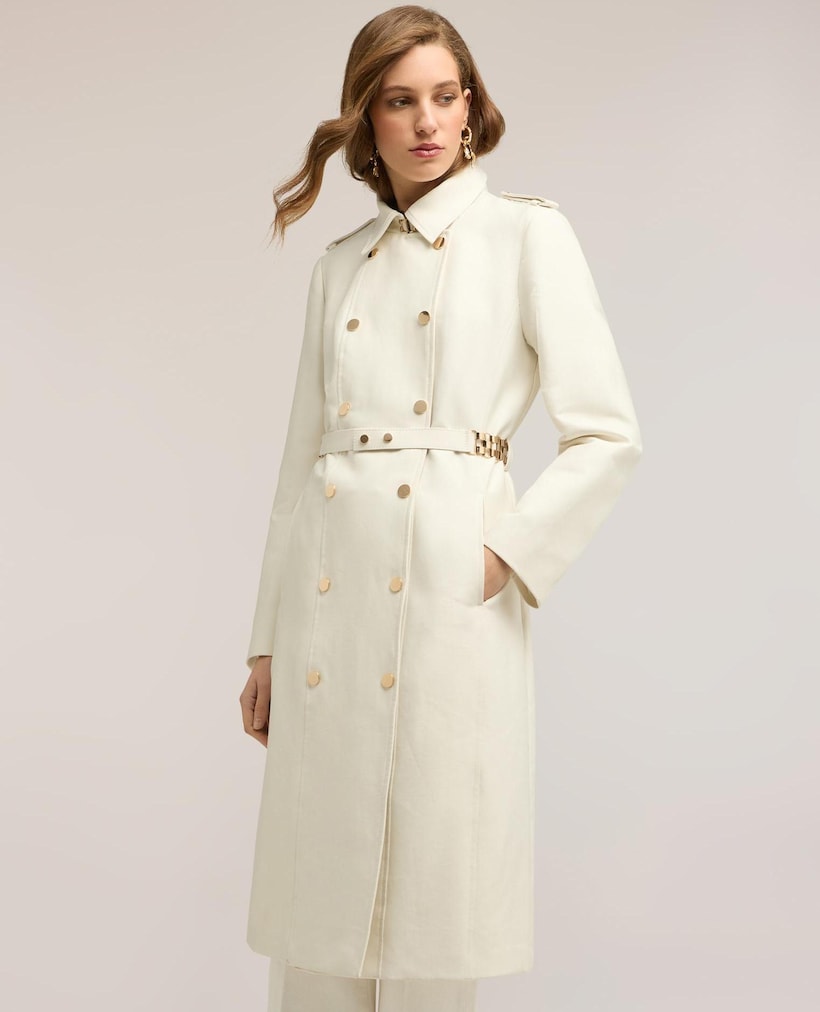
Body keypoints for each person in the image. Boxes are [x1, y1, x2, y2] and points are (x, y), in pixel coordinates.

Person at [238, 6, 643, 1011]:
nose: (426, 121)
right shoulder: (340, 265)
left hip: (449, 596)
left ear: (471, 109)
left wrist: (504, 553)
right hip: (329, 605)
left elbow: (607, 432)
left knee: (431, 911)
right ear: (366, 120)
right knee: (319, 928)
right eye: (399, 100)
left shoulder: (526, 234)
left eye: (444, 96)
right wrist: (268, 642)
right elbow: (299, 465)